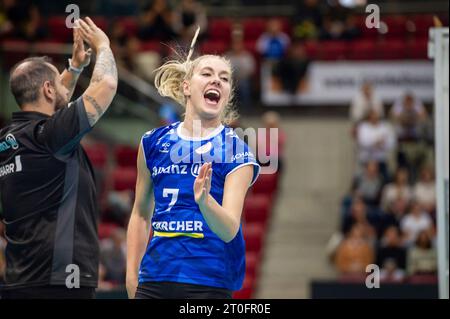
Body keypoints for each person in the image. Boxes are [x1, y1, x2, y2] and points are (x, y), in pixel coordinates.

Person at [126, 28, 260, 299]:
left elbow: (229, 229)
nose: (217, 81)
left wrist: (205, 201)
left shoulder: (237, 152)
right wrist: (132, 277)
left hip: (209, 282)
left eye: (224, 78)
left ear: (228, 93)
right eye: (207, 74)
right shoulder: (152, 142)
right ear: (187, 87)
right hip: (154, 279)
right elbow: (140, 213)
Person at [0, 17, 117, 299]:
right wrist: (104, 46)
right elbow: (108, 84)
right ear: (48, 90)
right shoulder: (49, 136)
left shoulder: (9, 139)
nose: (65, 87)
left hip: (19, 280)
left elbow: (54, 102)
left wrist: (75, 67)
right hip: (61, 280)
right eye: (57, 83)